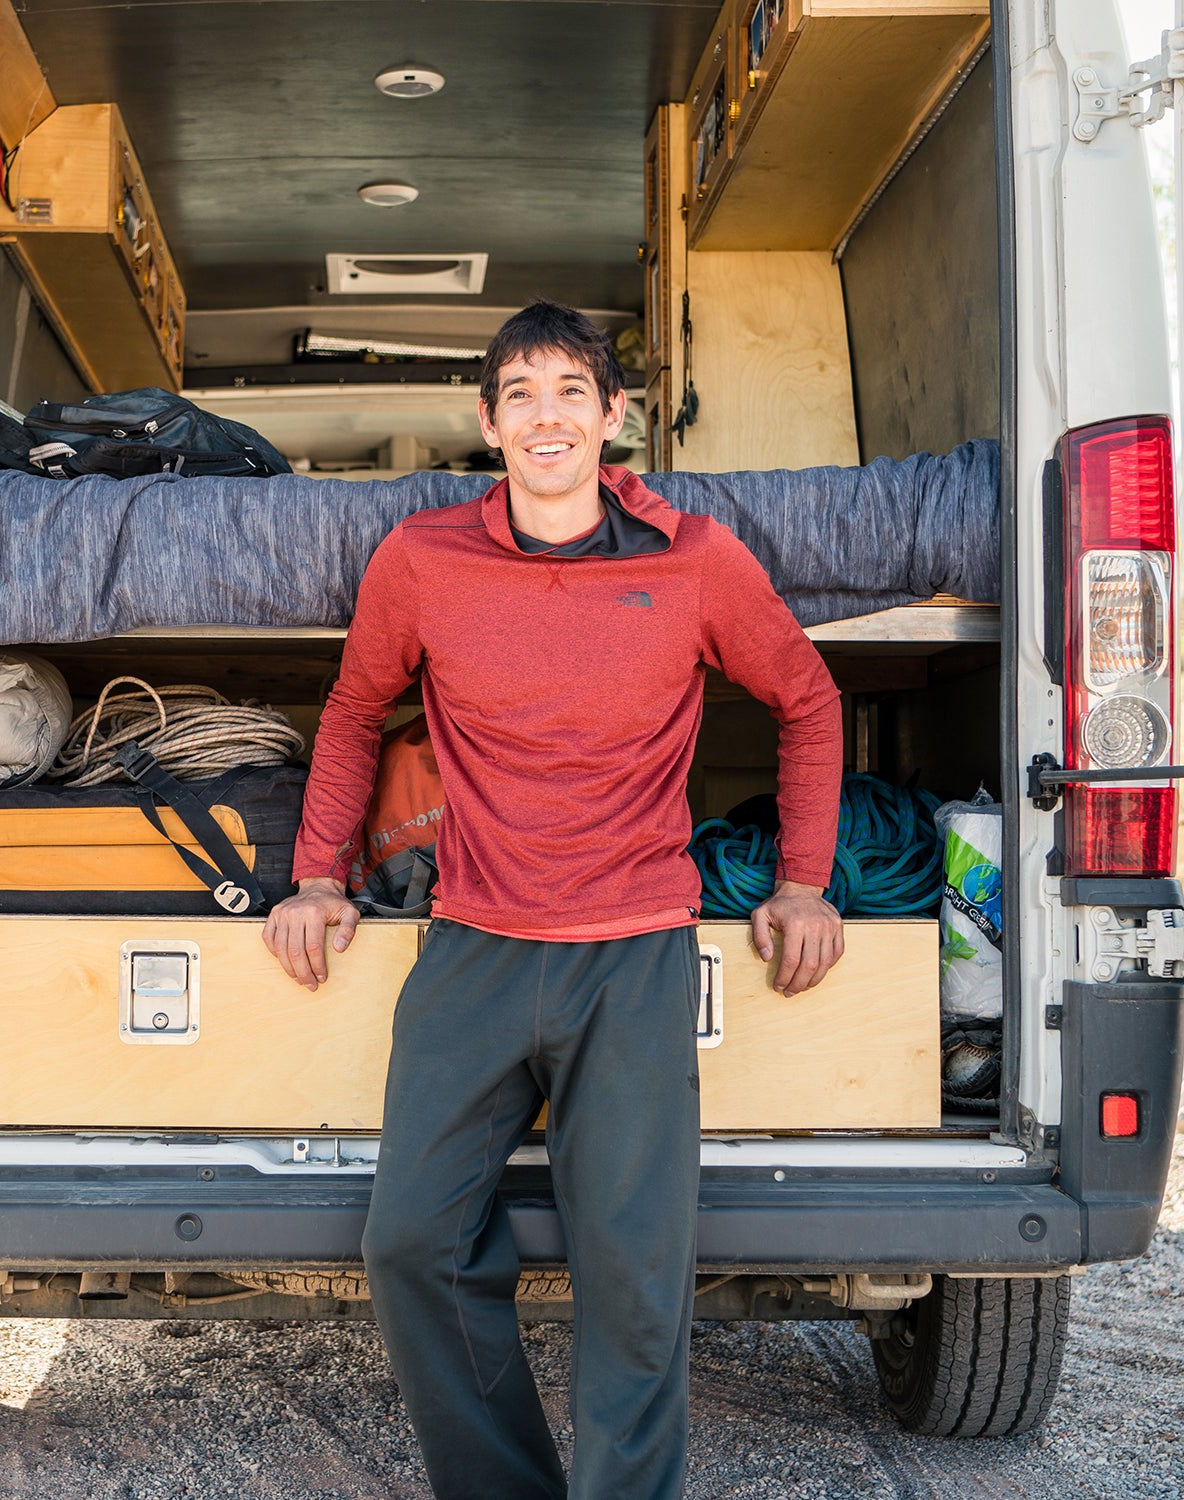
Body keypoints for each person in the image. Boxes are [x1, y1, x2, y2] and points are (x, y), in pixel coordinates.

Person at [263, 300, 844, 1500]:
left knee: (634, 1282)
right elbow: (354, 710)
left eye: (571, 391)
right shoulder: (425, 561)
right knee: (411, 1243)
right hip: (474, 945)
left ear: (613, 418)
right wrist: (318, 875)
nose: (546, 416)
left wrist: (805, 882)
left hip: (631, 954)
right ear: (487, 423)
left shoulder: (693, 561)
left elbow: (808, 697)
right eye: (520, 393)